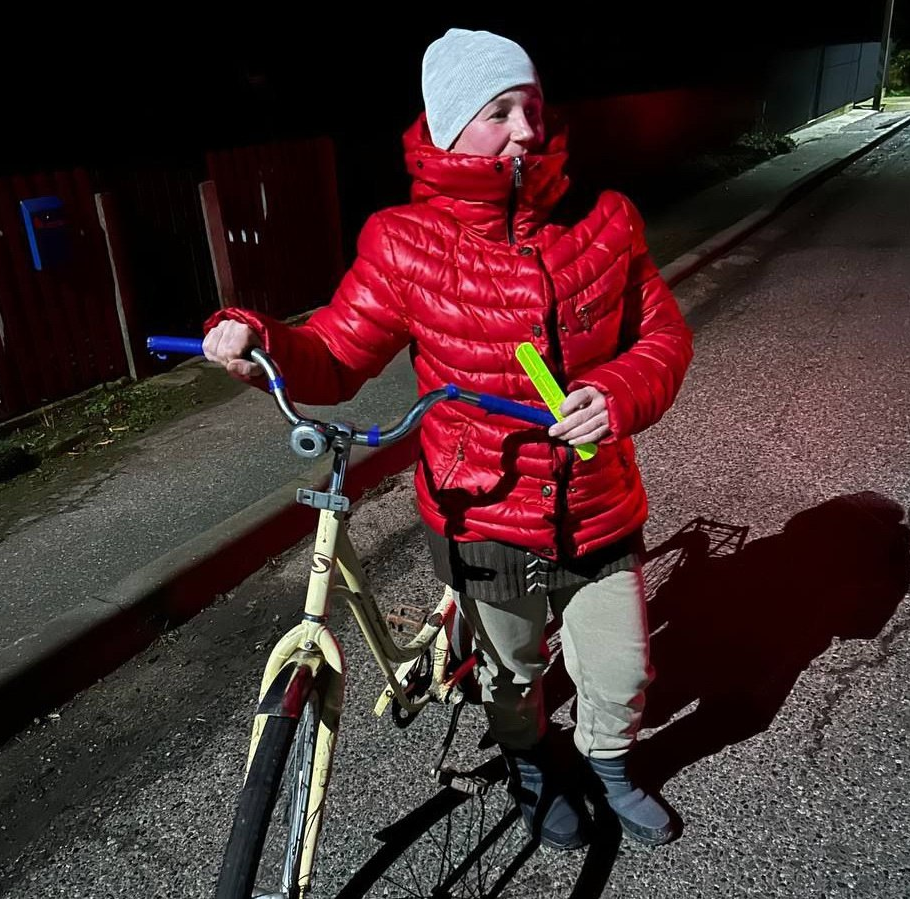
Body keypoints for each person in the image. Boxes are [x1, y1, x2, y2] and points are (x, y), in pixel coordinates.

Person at [204, 27, 693, 849]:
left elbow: (663, 338)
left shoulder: (605, 220)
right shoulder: (404, 243)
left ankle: (608, 763)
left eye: (531, 106)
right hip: (482, 510)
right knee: (512, 672)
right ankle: (529, 762)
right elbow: (334, 355)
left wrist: (615, 392)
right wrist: (259, 341)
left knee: (622, 668)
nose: (526, 129)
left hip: (597, 501)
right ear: (449, 127)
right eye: (499, 112)